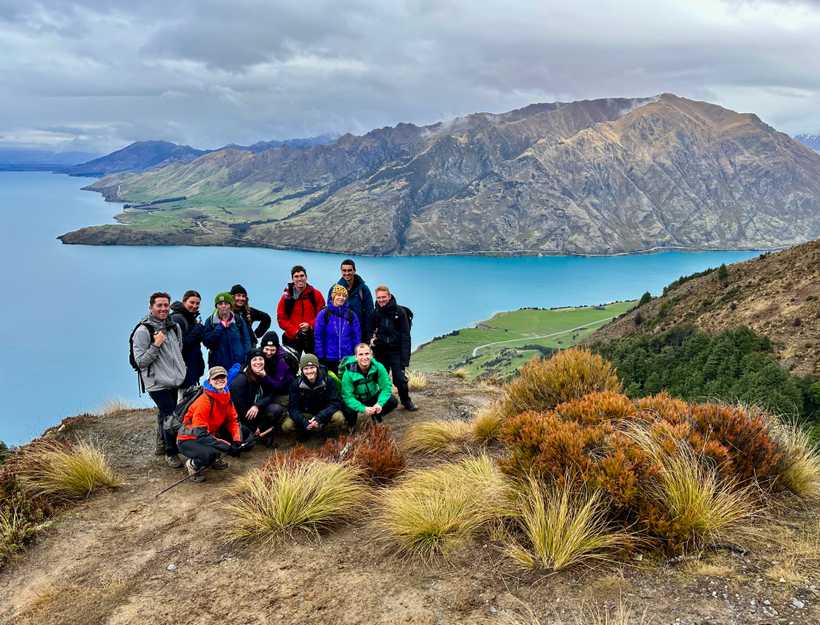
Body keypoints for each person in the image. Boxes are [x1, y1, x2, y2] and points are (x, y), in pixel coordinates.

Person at [131, 291, 187, 467]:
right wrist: (156, 344)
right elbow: (140, 362)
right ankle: (171, 452)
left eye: (166, 305)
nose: (163, 309)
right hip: (155, 382)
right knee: (171, 416)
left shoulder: (173, 326)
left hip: (173, 379)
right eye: (159, 305)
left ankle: (161, 445)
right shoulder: (142, 331)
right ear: (151, 307)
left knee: (165, 413)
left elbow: (178, 350)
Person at [176, 366, 243, 483]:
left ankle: (213, 458)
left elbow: (233, 420)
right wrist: (228, 447)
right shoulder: (204, 401)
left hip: (207, 434)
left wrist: (237, 440)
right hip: (188, 439)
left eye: (222, 377)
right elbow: (200, 434)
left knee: (222, 445)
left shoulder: (226, 397)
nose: (219, 380)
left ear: (227, 379)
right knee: (209, 454)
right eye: (215, 378)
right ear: (210, 381)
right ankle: (192, 465)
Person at [371, 285, 417, 411]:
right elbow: (370, 331)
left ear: (389, 296)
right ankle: (384, 403)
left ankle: (406, 401)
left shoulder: (400, 312)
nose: (381, 300)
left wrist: (404, 359)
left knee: (400, 379)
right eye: (379, 298)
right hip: (380, 351)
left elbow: (406, 336)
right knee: (381, 379)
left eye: (384, 297)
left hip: (396, 351)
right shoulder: (375, 313)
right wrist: (371, 340)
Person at [284, 353, 346, 438]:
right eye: (306, 368)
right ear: (301, 370)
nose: (309, 371)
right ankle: (305, 432)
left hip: (324, 413)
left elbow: (335, 403)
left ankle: (328, 433)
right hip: (306, 414)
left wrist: (319, 418)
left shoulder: (328, 380)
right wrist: (304, 422)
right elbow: (293, 408)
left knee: (339, 417)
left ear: (317, 367)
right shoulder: (296, 384)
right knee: (287, 426)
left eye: (312, 367)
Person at [231, 349, 283, 447]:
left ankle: (261, 432)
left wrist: (258, 405)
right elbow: (238, 409)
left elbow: (271, 394)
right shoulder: (241, 380)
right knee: (246, 444)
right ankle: (254, 432)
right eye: (254, 360)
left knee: (276, 409)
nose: (258, 362)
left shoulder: (263, 374)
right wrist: (253, 427)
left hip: (254, 411)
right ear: (249, 362)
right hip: (241, 417)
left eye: (260, 359)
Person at [340, 343, 398, 427]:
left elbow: (386, 387)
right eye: (361, 354)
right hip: (356, 398)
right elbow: (348, 397)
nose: (364, 357)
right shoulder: (348, 373)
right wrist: (363, 409)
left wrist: (379, 404)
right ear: (356, 357)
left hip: (372, 396)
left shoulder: (378, 367)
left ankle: (376, 414)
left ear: (371, 355)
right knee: (348, 410)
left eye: (367, 354)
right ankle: (351, 425)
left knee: (392, 401)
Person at [276, 265, 326, 356]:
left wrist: (310, 325)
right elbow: (281, 319)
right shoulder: (286, 297)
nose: (299, 279)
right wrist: (295, 331)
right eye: (296, 276)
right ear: (292, 279)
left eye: (302, 276)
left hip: (312, 337)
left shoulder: (316, 295)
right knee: (290, 366)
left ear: (306, 277)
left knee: (315, 364)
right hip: (292, 337)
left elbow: (322, 315)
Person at [314, 284, 361, 375]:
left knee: (347, 384)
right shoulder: (324, 314)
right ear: (333, 296)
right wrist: (320, 356)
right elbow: (318, 337)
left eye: (344, 296)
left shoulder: (352, 315)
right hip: (329, 358)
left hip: (348, 358)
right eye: (338, 295)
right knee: (332, 384)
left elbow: (356, 337)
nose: (341, 298)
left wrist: (356, 355)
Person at [327, 259, 374, 342]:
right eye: (344, 270)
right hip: (341, 333)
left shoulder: (363, 289)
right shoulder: (334, 289)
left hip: (360, 332)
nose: (347, 273)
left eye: (349, 270)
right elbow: (330, 310)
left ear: (354, 271)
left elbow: (369, 313)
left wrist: (369, 335)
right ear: (341, 271)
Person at [203, 292, 253, 370]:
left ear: (230, 305)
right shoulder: (210, 321)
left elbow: (246, 340)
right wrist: (220, 327)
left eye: (226, 303)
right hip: (218, 367)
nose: (223, 306)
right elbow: (207, 342)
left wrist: (246, 359)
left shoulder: (238, 320)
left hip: (238, 365)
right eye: (220, 304)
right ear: (216, 306)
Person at [170, 290, 205, 390]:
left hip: (191, 369)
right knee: (182, 403)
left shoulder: (191, 319)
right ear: (184, 301)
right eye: (192, 302)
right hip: (181, 370)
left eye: (197, 303)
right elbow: (179, 345)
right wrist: (197, 330)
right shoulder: (177, 319)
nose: (195, 306)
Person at [259, 331, 296, 400]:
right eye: (266, 349)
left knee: (273, 409)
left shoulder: (282, 361)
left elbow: (278, 385)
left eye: (272, 350)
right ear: (262, 347)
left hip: (284, 391)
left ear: (277, 348)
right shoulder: (259, 353)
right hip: (270, 385)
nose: (269, 353)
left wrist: (265, 376)